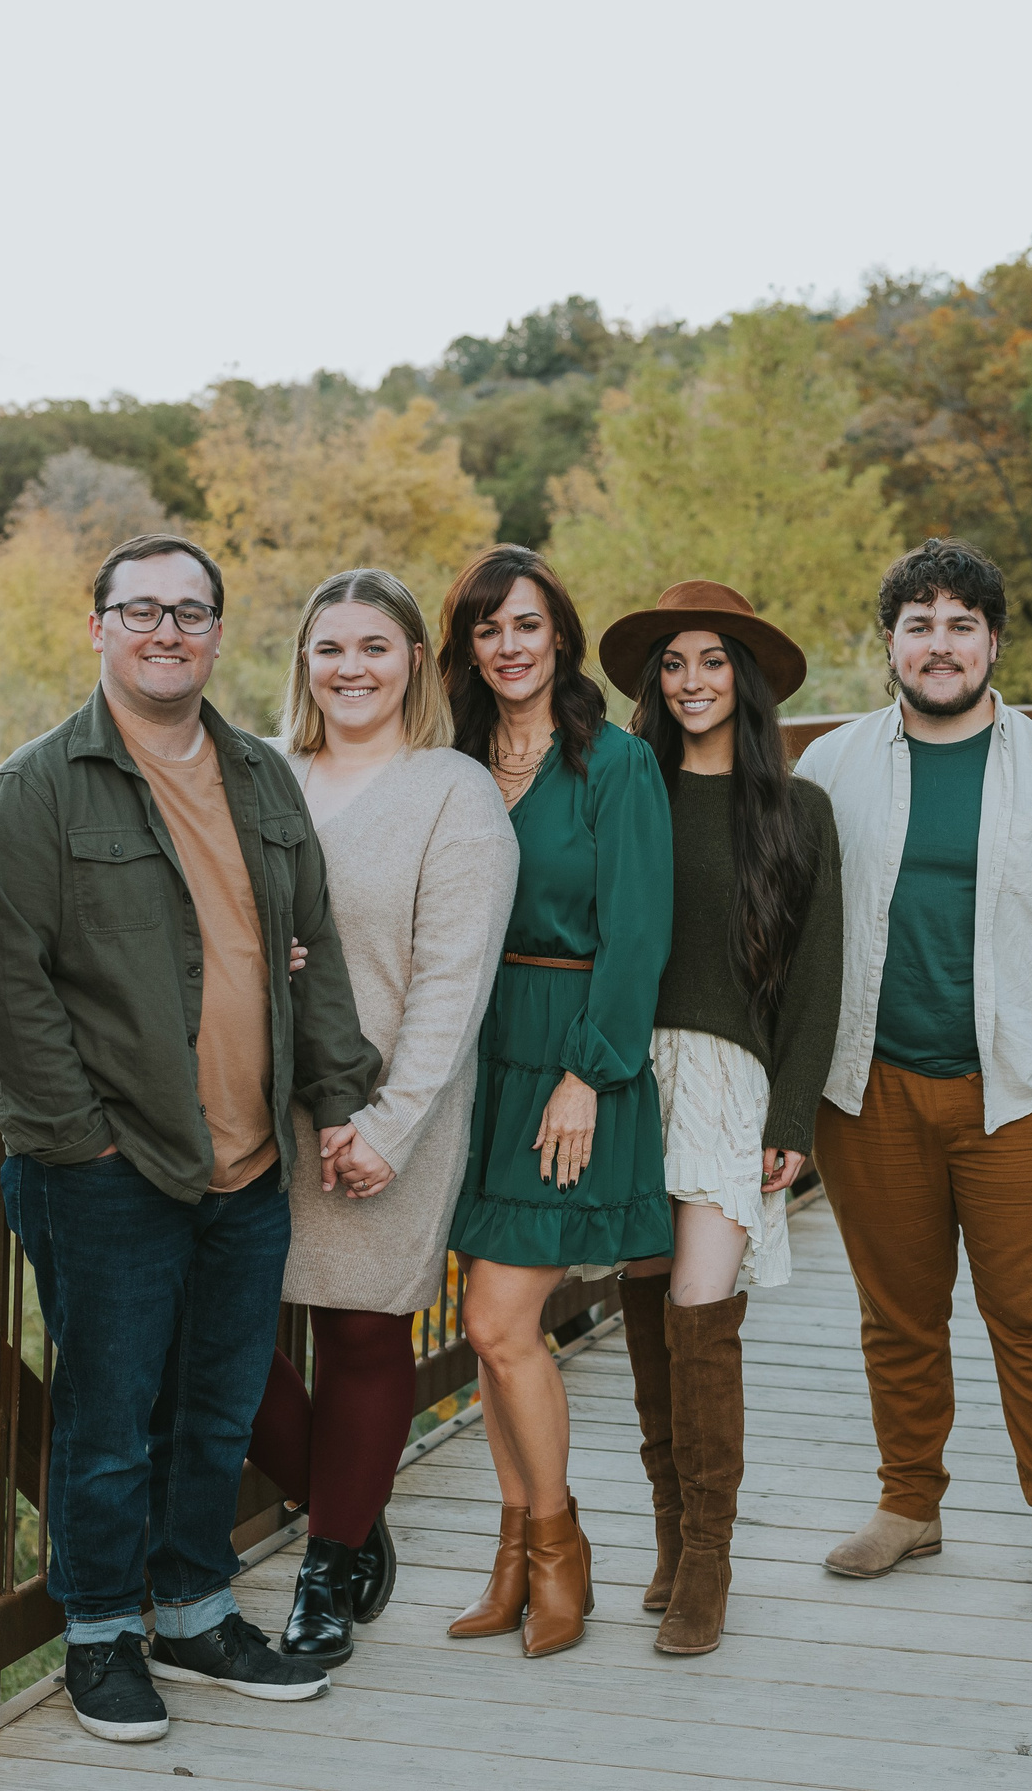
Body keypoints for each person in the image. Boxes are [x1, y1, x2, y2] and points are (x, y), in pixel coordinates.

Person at [0, 533, 383, 1742]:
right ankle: (101, 1635)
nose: (166, 631)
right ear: (95, 628)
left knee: (214, 1406)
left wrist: (335, 1098)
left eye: (190, 612)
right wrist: (82, 1146)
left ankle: (194, 1612)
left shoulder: (260, 776)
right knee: (109, 1417)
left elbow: (314, 951)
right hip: (111, 1168)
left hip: (248, 1161)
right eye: (139, 610)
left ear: (216, 633)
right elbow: (15, 991)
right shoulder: (35, 790)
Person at [795, 537, 1032, 1621]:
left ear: (992, 641)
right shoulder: (832, 765)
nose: (939, 647)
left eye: (959, 625)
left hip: (1022, 1091)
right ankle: (909, 1503)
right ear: (889, 642)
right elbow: (786, 924)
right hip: (872, 1088)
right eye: (918, 625)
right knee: (897, 1315)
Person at [244, 569, 518, 1663]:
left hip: (386, 1107)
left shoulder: (451, 790)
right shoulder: (258, 777)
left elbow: (455, 981)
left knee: (360, 1330)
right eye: (328, 647)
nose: (350, 666)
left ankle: (324, 1567)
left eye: (374, 645)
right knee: (214, 1338)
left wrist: (390, 1124)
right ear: (303, 664)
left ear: (413, 661)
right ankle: (350, 1512)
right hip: (251, 1103)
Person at [599, 580, 844, 1657]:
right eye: (672, 663)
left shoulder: (797, 812)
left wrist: (793, 1114)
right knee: (645, 1310)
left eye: (711, 661)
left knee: (704, 1310)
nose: (690, 681)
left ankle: (711, 1558)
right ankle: (668, 1534)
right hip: (620, 1073)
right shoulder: (625, 791)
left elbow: (818, 978)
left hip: (728, 1082)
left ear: (741, 680)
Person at [438, 544, 674, 1659]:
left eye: (526, 624)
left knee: (498, 1317)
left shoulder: (615, 762)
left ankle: (560, 1555)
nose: (509, 646)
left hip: (574, 1055)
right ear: (466, 648)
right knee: (495, 1338)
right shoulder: (451, 758)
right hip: (475, 1062)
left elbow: (639, 932)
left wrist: (589, 1072)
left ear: (561, 635)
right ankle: (514, 1560)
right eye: (488, 629)